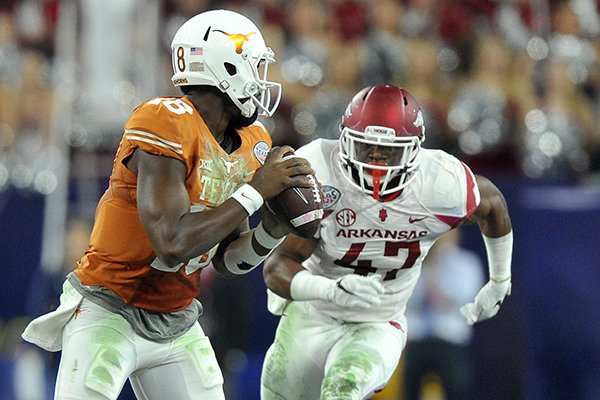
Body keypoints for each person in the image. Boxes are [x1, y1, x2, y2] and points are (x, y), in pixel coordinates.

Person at [21, 9, 314, 400]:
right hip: (110, 308)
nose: (261, 81)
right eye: (254, 66)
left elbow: (227, 261)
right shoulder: (163, 119)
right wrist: (256, 191)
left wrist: (272, 230)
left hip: (177, 317)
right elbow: (172, 243)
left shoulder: (250, 139)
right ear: (224, 66)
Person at [260, 84, 513, 400]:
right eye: (367, 147)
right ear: (345, 141)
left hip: (379, 319)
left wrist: (500, 280)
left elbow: (492, 204)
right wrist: (329, 289)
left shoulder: (440, 182)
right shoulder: (319, 169)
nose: (376, 160)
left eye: (388, 151)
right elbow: (276, 268)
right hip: (313, 311)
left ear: (414, 149)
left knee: (343, 388)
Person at [403, 228, 484, 400]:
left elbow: (470, 300)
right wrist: (430, 265)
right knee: (409, 392)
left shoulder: (466, 263)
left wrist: (444, 262)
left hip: (449, 339)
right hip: (418, 340)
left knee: (457, 391)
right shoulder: (418, 263)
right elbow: (407, 300)